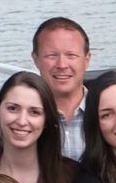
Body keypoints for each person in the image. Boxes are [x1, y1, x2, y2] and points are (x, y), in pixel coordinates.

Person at [28, 14, 96, 160]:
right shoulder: (16, 120)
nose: (62, 65)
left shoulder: (106, 112)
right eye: (51, 55)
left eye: (71, 55)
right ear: (35, 59)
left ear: (87, 59)